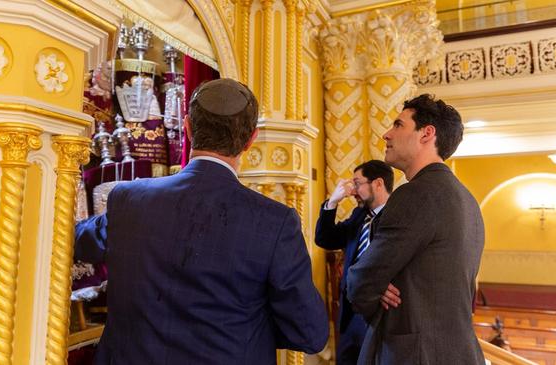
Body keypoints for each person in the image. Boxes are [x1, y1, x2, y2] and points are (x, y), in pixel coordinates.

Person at [93, 78, 329, 365]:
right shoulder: (275, 222)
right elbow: (310, 333)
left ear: (188, 128)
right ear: (250, 140)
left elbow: (72, 239)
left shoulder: (128, 200)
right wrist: (244, 320)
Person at [347, 94, 485, 364]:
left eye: (398, 125)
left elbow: (361, 282)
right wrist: (378, 285)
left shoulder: (416, 194)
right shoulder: (469, 200)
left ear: (426, 134)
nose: (387, 134)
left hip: (415, 354)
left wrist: (374, 287)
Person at [315, 160, 397, 365]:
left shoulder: (398, 217)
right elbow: (326, 239)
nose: (352, 191)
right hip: (349, 315)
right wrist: (332, 203)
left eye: (357, 183)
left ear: (378, 183)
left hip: (379, 314)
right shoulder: (359, 215)